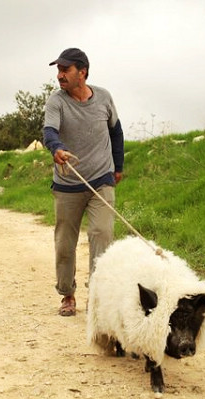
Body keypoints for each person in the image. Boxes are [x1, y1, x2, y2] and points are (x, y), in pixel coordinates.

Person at [42, 48, 124, 316]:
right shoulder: (57, 102)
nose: (60, 75)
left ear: (82, 72)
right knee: (65, 244)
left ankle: (98, 297)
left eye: (65, 70)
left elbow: (116, 131)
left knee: (102, 235)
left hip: (101, 180)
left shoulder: (104, 98)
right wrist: (56, 149)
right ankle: (67, 294)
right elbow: (49, 132)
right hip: (67, 184)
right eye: (58, 70)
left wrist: (118, 167)